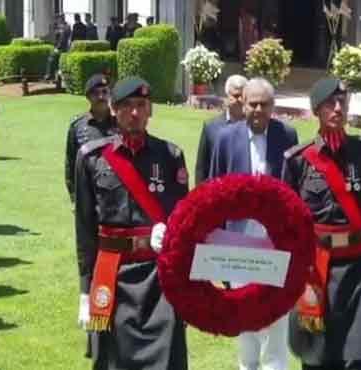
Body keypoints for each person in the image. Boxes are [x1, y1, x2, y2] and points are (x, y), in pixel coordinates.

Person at [75, 76, 188, 369]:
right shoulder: (92, 158)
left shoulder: (171, 156)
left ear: (150, 110)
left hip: (158, 275)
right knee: (113, 360)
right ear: (113, 109)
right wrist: (85, 291)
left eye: (141, 105)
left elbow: (186, 222)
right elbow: (85, 230)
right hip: (113, 273)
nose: (135, 113)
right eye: (127, 106)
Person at [283, 77, 361, 370]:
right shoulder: (298, 161)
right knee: (317, 354)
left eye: (342, 102)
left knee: (360, 354)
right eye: (330, 103)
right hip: (316, 270)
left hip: (358, 268)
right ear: (317, 110)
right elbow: (287, 224)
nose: (337, 108)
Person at [210, 78, 298, 370]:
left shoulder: (287, 135)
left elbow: (294, 189)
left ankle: (275, 365)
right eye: (253, 103)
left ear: (273, 106)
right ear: (242, 103)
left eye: (265, 104)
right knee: (245, 310)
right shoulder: (225, 138)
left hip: (275, 239)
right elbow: (213, 191)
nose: (258, 110)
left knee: (277, 312)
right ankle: (248, 366)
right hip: (238, 239)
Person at [65, 74, 117, 203]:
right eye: (96, 93)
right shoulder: (77, 126)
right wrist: (74, 197)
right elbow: (70, 164)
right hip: (88, 192)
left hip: (116, 192)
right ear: (88, 97)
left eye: (105, 92)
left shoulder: (121, 123)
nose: (101, 97)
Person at [194, 74, 247, 186]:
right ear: (227, 97)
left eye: (244, 96)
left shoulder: (253, 127)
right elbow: (202, 168)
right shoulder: (211, 127)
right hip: (219, 192)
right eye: (236, 96)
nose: (240, 100)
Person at [45, 14, 71, 81]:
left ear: (61, 19)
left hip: (62, 48)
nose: (58, 20)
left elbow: (63, 39)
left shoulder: (66, 27)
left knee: (51, 59)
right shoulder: (60, 27)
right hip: (59, 47)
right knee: (54, 61)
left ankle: (49, 75)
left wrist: (58, 48)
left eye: (59, 19)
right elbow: (53, 37)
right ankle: (53, 76)